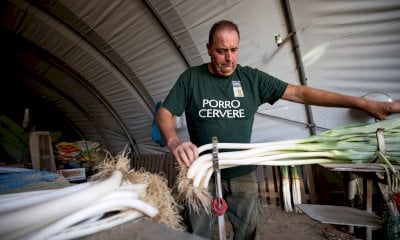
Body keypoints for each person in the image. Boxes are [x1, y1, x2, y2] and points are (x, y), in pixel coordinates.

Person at [156, 20, 400, 240]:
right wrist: (175, 141)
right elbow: (165, 113)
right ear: (209, 48)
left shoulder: (251, 79)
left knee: (249, 230)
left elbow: (299, 92)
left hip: (242, 173)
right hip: (200, 173)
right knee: (197, 231)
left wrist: (363, 103)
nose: (229, 58)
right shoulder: (191, 78)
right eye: (221, 51)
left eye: (234, 50)